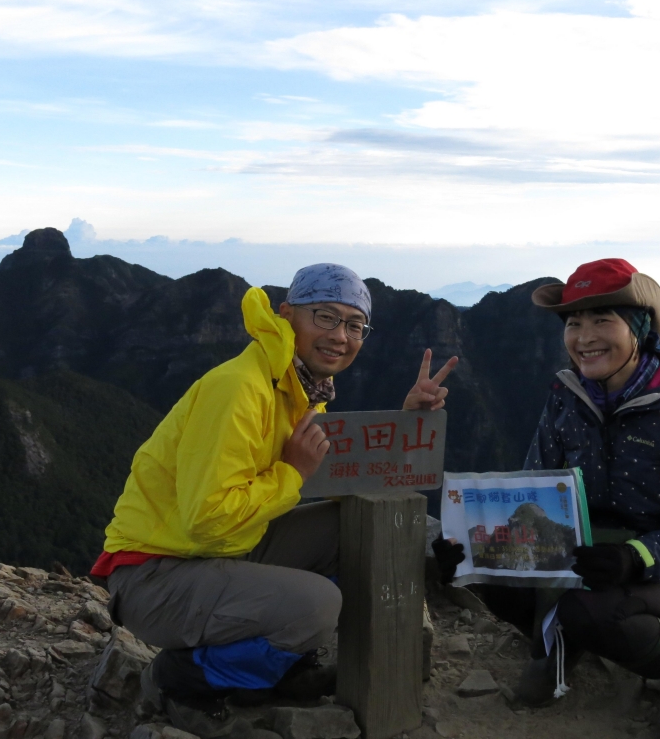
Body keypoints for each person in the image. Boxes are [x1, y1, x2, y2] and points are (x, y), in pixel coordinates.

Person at [91, 264, 458, 739]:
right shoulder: (240, 388)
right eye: (325, 317)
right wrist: (290, 474)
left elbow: (330, 465)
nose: (340, 336)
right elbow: (208, 520)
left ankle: (280, 666)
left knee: (355, 526)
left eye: (354, 325)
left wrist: (405, 422)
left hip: (224, 551)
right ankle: (187, 681)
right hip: (157, 573)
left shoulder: (299, 388)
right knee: (316, 605)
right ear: (286, 316)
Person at [433, 258, 660, 739]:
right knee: (490, 573)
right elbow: (532, 496)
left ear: (639, 329)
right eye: (574, 322)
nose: (585, 336)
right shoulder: (566, 398)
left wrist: (635, 557)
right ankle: (557, 642)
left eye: (603, 320)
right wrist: (470, 546)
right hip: (583, 553)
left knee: (589, 612)